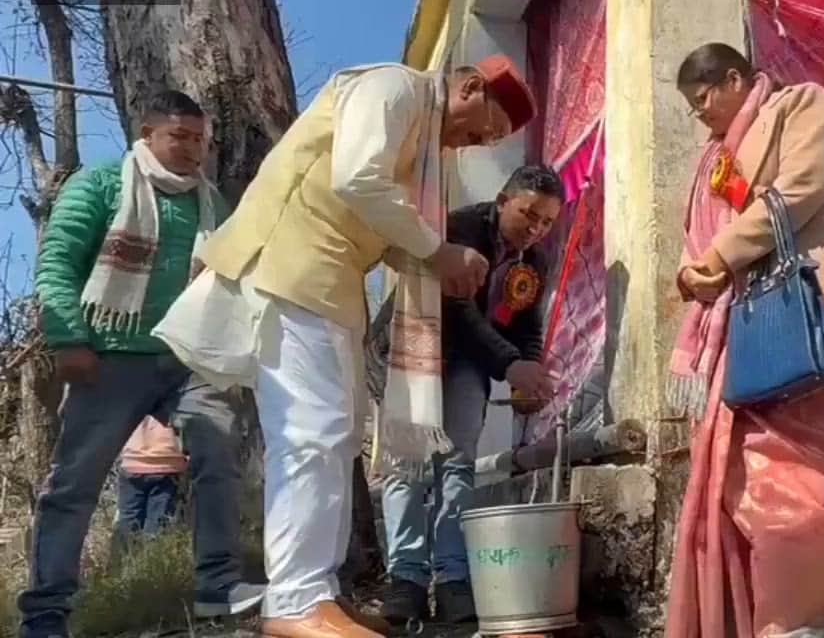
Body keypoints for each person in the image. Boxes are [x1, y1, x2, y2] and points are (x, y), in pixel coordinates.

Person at [154, 55, 536, 638]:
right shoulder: (392, 88)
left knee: (333, 438)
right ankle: (295, 603)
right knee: (309, 436)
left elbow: (383, 232)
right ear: (471, 86)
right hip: (293, 269)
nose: (474, 143)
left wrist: (440, 262)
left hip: (329, 288)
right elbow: (357, 178)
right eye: (481, 128)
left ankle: (318, 595)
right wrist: (438, 252)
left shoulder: (422, 146)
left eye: (486, 142)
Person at [664, 42, 824, 638]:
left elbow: (802, 188)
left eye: (703, 101)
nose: (702, 117)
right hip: (739, 329)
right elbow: (699, 235)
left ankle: (797, 619)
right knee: (735, 473)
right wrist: (698, 270)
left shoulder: (800, 104)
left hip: (806, 311)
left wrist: (718, 256)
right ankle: (747, 616)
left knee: (804, 473)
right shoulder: (711, 158)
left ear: (736, 79)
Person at [20, 91, 259, 638]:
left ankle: (217, 589)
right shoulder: (102, 184)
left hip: (186, 356)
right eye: (179, 137)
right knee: (74, 482)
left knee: (218, 449)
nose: (192, 150)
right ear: (147, 133)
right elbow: (58, 260)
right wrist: (68, 338)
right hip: (110, 354)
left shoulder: (210, 203)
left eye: (199, 140)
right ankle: (46, 611)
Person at [378, 165, 563, 625]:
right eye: (528, 214)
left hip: (470, 363)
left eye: (547, 222)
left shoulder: (535, 260)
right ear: (502, 200)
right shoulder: (457, 228)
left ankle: (455, 577)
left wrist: (528, 372)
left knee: (458, 464)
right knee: (408, 464)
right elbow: (456, 310)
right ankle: (406, 579)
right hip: (417, 346)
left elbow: (527, 324)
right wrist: (509, 364)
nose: (536, 229)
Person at [115, 417, 188, 541]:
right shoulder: (177, 397)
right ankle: (152, 557)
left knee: (128, 519)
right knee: (159, 524)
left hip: (132, 459)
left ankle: (122, 558)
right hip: (168, 462)